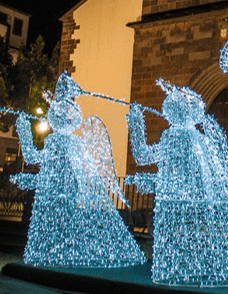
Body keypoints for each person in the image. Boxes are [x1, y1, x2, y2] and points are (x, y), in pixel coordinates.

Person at [128, 80, 228, 287]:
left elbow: (143, 156)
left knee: (177, 248)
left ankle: (180, 273)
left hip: (175, 205)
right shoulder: (199, 139)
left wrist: (136, 123)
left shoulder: (173, 137)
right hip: (191, 205)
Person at [10, 74, 146, 269]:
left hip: (62, 194)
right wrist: (23, 130)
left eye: (68, 111)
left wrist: (24, 133)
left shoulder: (73, 142)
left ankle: (59, 252)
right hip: (55, 194)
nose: (64, 113)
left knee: (60, 225)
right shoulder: (56, 141)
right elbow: (33, 158)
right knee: (56, 225)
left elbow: (37, 158)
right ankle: (57, 252)